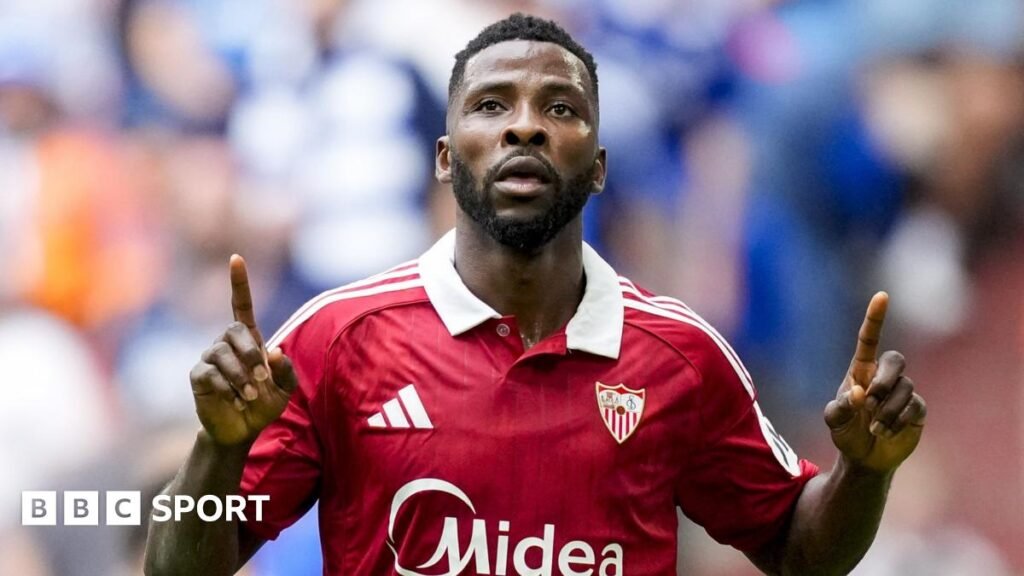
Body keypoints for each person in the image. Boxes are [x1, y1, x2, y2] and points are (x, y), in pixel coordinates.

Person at [144, 13, 927, 576]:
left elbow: (799, 550)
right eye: (492, 106)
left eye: (560, 108)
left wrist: (865, 473)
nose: (525, 128)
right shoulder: (334, 341)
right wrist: (219, 449)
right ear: (445, 157)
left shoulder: (681, 357)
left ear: (600, 166)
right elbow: (178, 568)